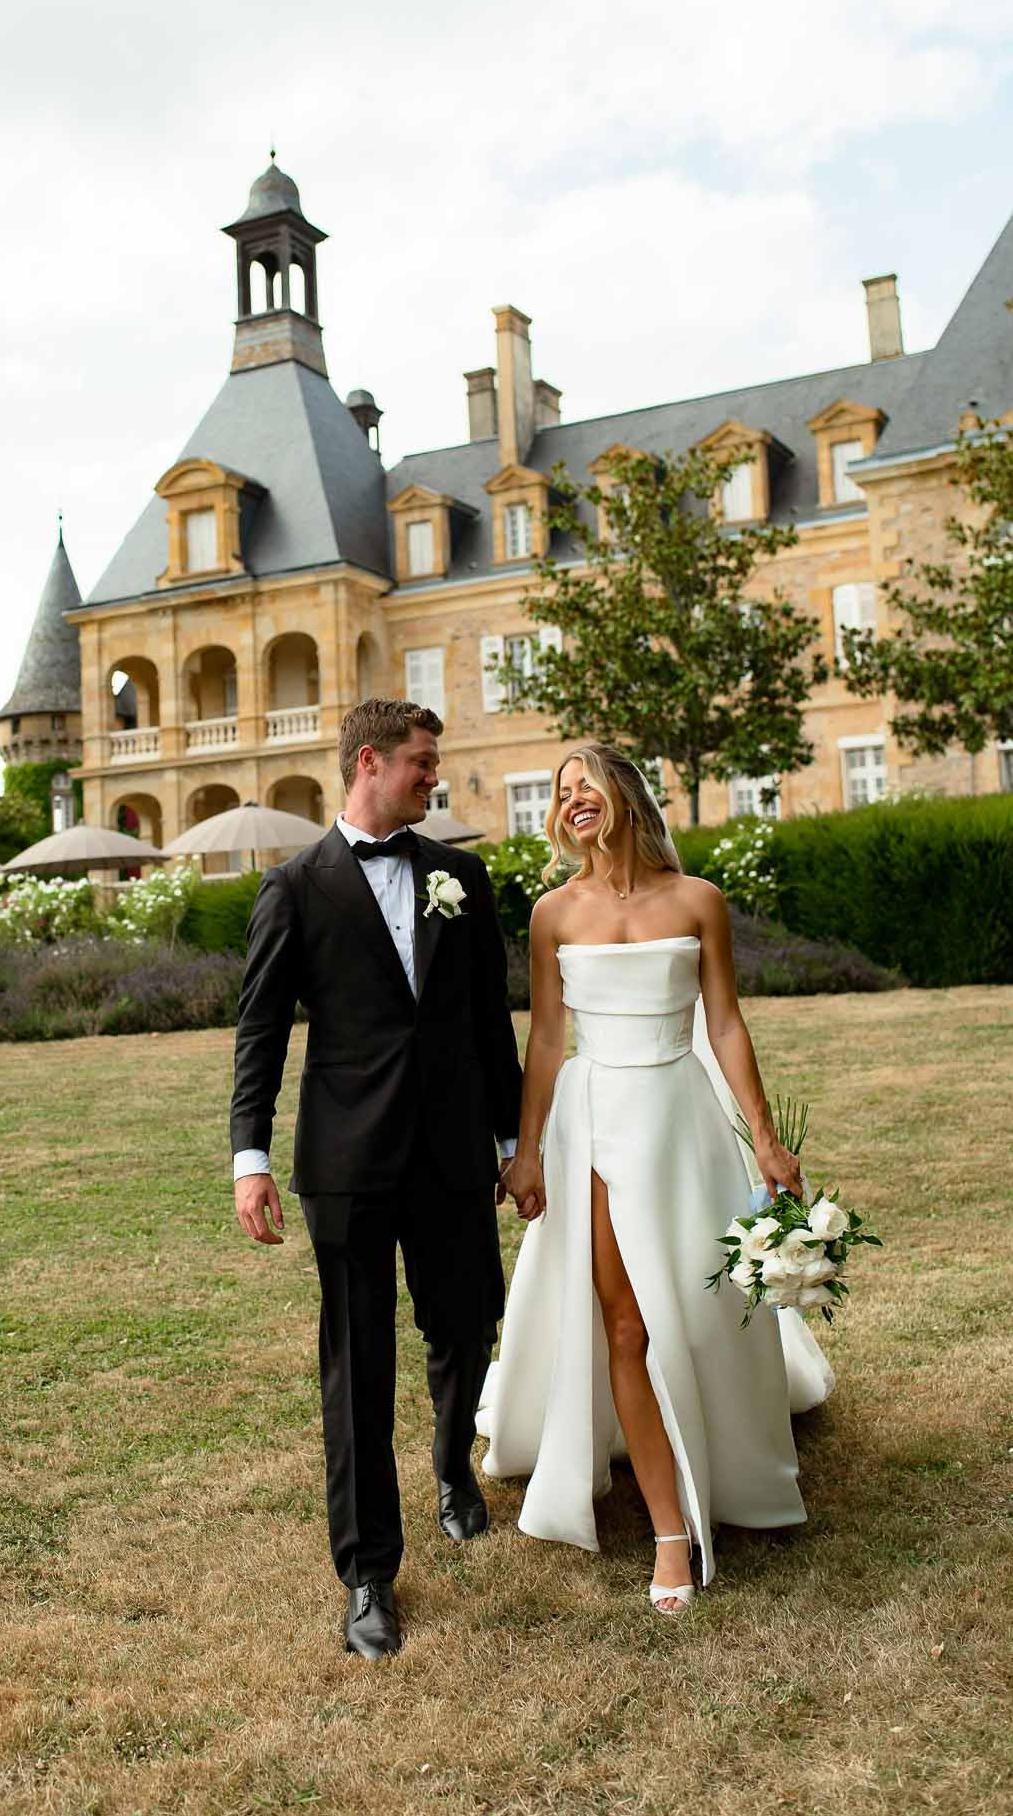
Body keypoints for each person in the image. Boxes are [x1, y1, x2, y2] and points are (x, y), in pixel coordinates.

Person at [477, 742, 833, 1613]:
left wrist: (765, 1140)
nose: (569, 801)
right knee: (624, 1323)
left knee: (701, 1304)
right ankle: (671, 1533)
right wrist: (526, 1150)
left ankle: (731, 1454)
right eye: (559, 793)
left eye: (581, 784)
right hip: (592, 1122)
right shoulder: (552, 913)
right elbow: (548, 1041)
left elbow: (726, 1026)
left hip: (679, 1117)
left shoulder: (698, 901)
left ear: (623, 795)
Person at [230, 698, 523, 1658]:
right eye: (422, 762)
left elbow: (489, 1020)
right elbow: (261, 1033)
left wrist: (515, 1141)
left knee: (466, 1321)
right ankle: (368, 1575)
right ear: (370, 762)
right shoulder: (295, 887)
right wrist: (251, 1159)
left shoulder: (461, 879)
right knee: (356, 1362)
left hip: (450, 1151)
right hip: (347, 1162)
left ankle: (451, 1469)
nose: (434, 777)